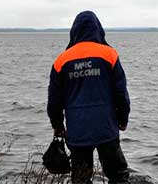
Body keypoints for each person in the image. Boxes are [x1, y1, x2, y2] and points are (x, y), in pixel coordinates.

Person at [47, 11, 131, 184]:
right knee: (118, 176)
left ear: (74, 31)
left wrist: (57, 125)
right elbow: (121, 93)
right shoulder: (109, 55)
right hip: (106, 127)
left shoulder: (61, 61)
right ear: (98, 29)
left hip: (78, 131)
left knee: (81, 179)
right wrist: (123, 119)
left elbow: (54, 101)